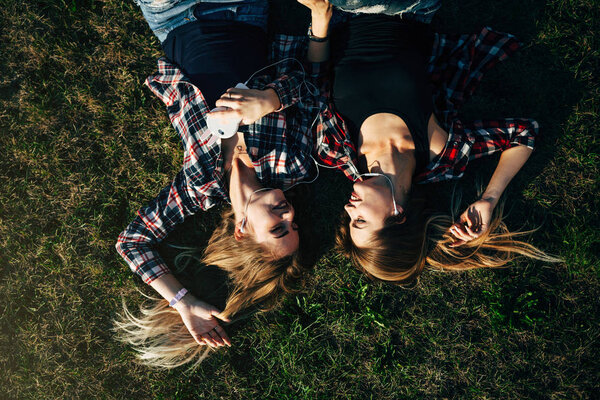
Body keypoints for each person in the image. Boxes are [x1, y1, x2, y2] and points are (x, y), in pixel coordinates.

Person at [115, 0, 330, 368]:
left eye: (279, 228)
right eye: (294, 223)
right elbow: (313, 86)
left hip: (174, 21)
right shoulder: (292, 164)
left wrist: (182, 300)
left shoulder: (199, 188)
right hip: (245, 13)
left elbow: (132, 242)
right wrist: (268, 101)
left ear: (243, 231)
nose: (289, 213)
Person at [299, 0, 559, 285]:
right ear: (397, 216)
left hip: (341, 14)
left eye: (348, 220)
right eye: (359, 221)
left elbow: (315, 78)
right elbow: (524, 134)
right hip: (408, 10)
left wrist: (320, 19)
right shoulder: (442, 153)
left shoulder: (335, 150)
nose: (348, 210)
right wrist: (488, 199)